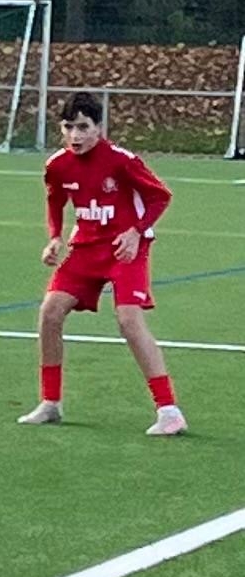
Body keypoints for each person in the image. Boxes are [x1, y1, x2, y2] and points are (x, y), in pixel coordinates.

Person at [18, 91, 184, 435]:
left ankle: (169, 411)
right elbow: (55, 201)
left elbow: (160, 196)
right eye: (68, 127)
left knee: (128, 321)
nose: (75, 135)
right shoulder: (57, 165)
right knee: (50, 312)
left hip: (125, 249)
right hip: (86, 249)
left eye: (83, 127)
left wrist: (136, 232)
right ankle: (50, 403)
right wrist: (54, 237)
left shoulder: (121, 161)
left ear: (98, 128)